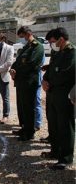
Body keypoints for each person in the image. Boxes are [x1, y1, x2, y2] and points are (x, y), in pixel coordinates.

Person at [41, 27, 75, 170]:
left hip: (64, 95)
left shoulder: (71, 52)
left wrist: (51, 79)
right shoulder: (57, 52)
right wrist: (44, 80)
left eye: (53, 41)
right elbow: (51, 70)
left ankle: (66, 158)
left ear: (61, 39)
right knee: (53, 124)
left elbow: (65, 74)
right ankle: (55, 152)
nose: (51, 45)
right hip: (52, 93)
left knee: (65, 126)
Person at [10, 26, 44, 141]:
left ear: (28, 33)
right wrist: (12, 70)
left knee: (29, 108)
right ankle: (24, 128)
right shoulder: (26, 47)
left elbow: (31, 64)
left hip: (29, 82)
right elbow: (18, 61)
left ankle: (30, 132)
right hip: (21, 82)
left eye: (22, 36)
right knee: (22, 107)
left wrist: (17, 72)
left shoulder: (37, 47)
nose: (22, 39)